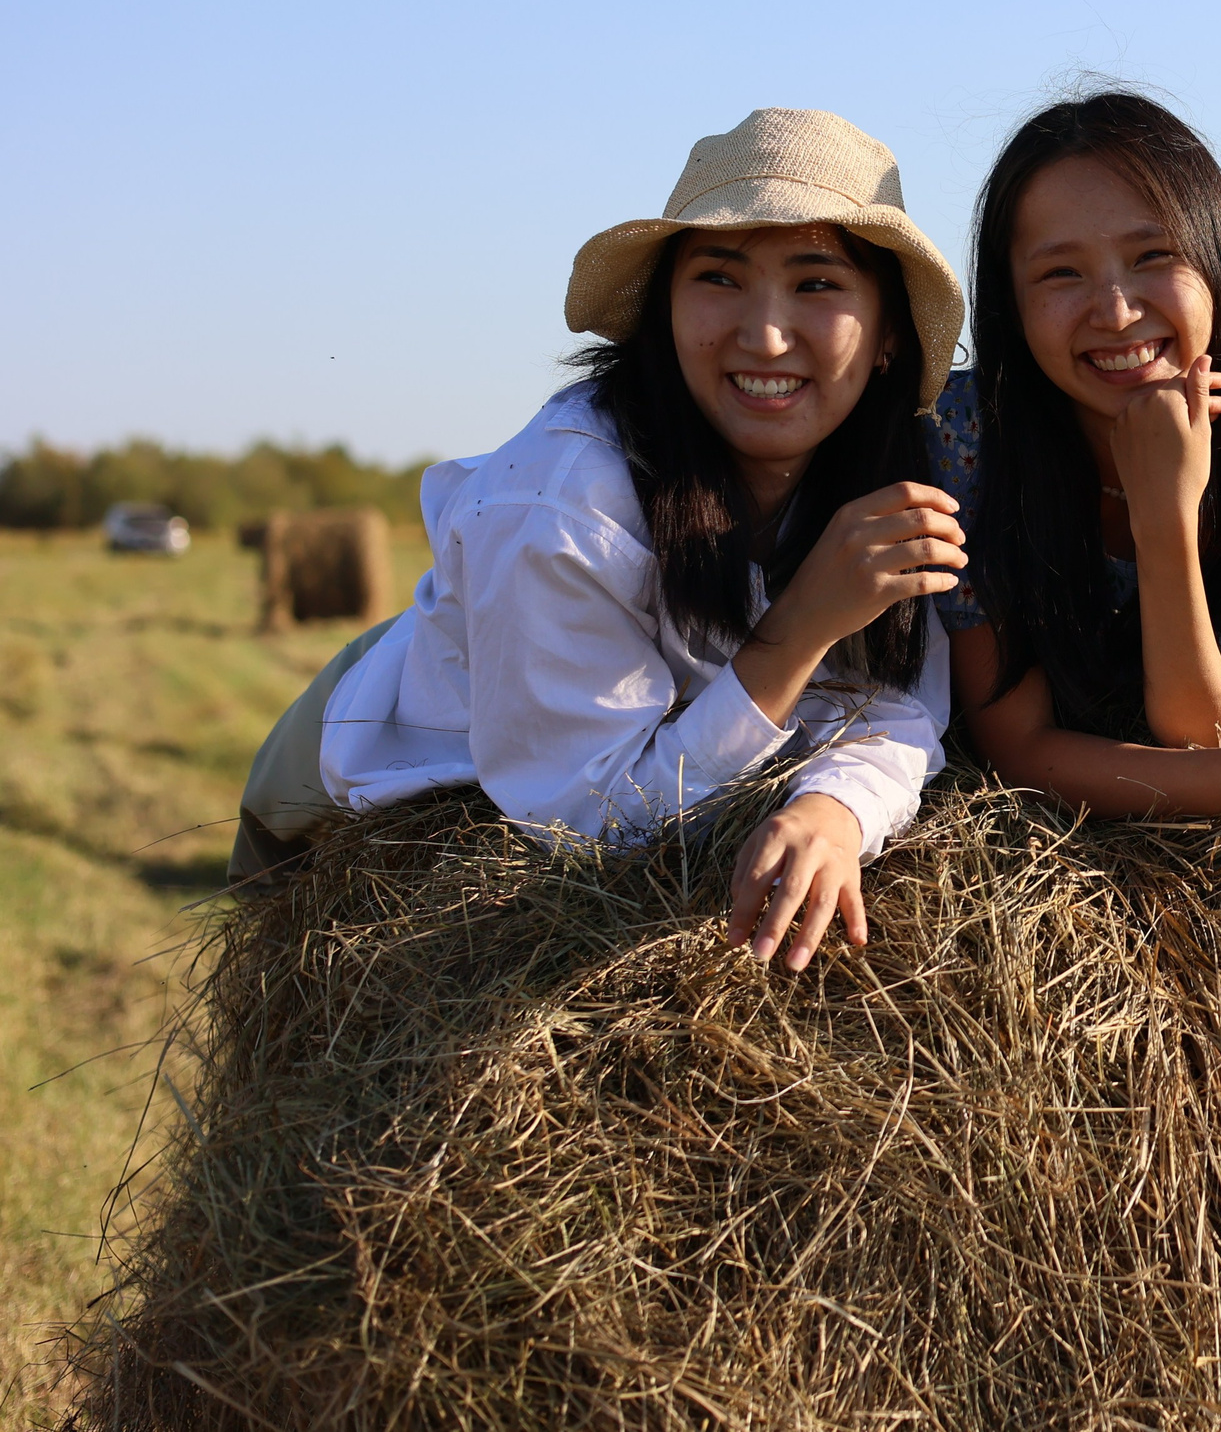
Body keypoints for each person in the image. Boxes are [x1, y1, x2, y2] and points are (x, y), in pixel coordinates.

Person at [231, 109, 969, 972]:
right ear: (663, 310)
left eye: (816, 284)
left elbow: (900, 707)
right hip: (345, 788)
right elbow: (592, 819)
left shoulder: (889, 483)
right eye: (720, 279)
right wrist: (801, 626)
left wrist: (834, 809)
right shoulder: (560, 505)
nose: (765, 333)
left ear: (885, 336)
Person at [926, 93, 1221, 843]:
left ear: (1218, 262)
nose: (1114, 311)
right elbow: (1015, 746)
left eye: (1153, 257)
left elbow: (1210, 740)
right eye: (1060, 274)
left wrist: (1165, 515)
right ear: (1010, 304)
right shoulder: (966, 436)